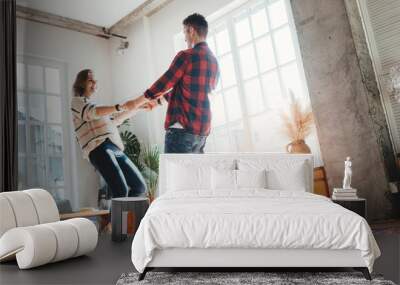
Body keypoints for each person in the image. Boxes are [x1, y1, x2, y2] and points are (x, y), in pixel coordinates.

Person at [134, 13, 220, 153]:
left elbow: (166, 82)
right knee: (194, 175)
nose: (185, 38)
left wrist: (136, 101)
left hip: (182, 131)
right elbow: (187, 89)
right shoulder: (214, 62)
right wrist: (157, 102)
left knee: (175, 175)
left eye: (185, 32)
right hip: (202, 134)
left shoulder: (186, 56)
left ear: (191, 30)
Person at [71, 69, 151, 198]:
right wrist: (119, 106)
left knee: (139, 187)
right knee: (120, 190)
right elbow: (91, 113)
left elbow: (117, 119)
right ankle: (117, 218)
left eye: (95, 81)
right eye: (90, 80)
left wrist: (138, 107)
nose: (94, 83)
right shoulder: (77, 102)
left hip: (113, 147)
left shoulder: (97, 107)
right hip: (98, 148)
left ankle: (126, 217)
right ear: (81, 83)